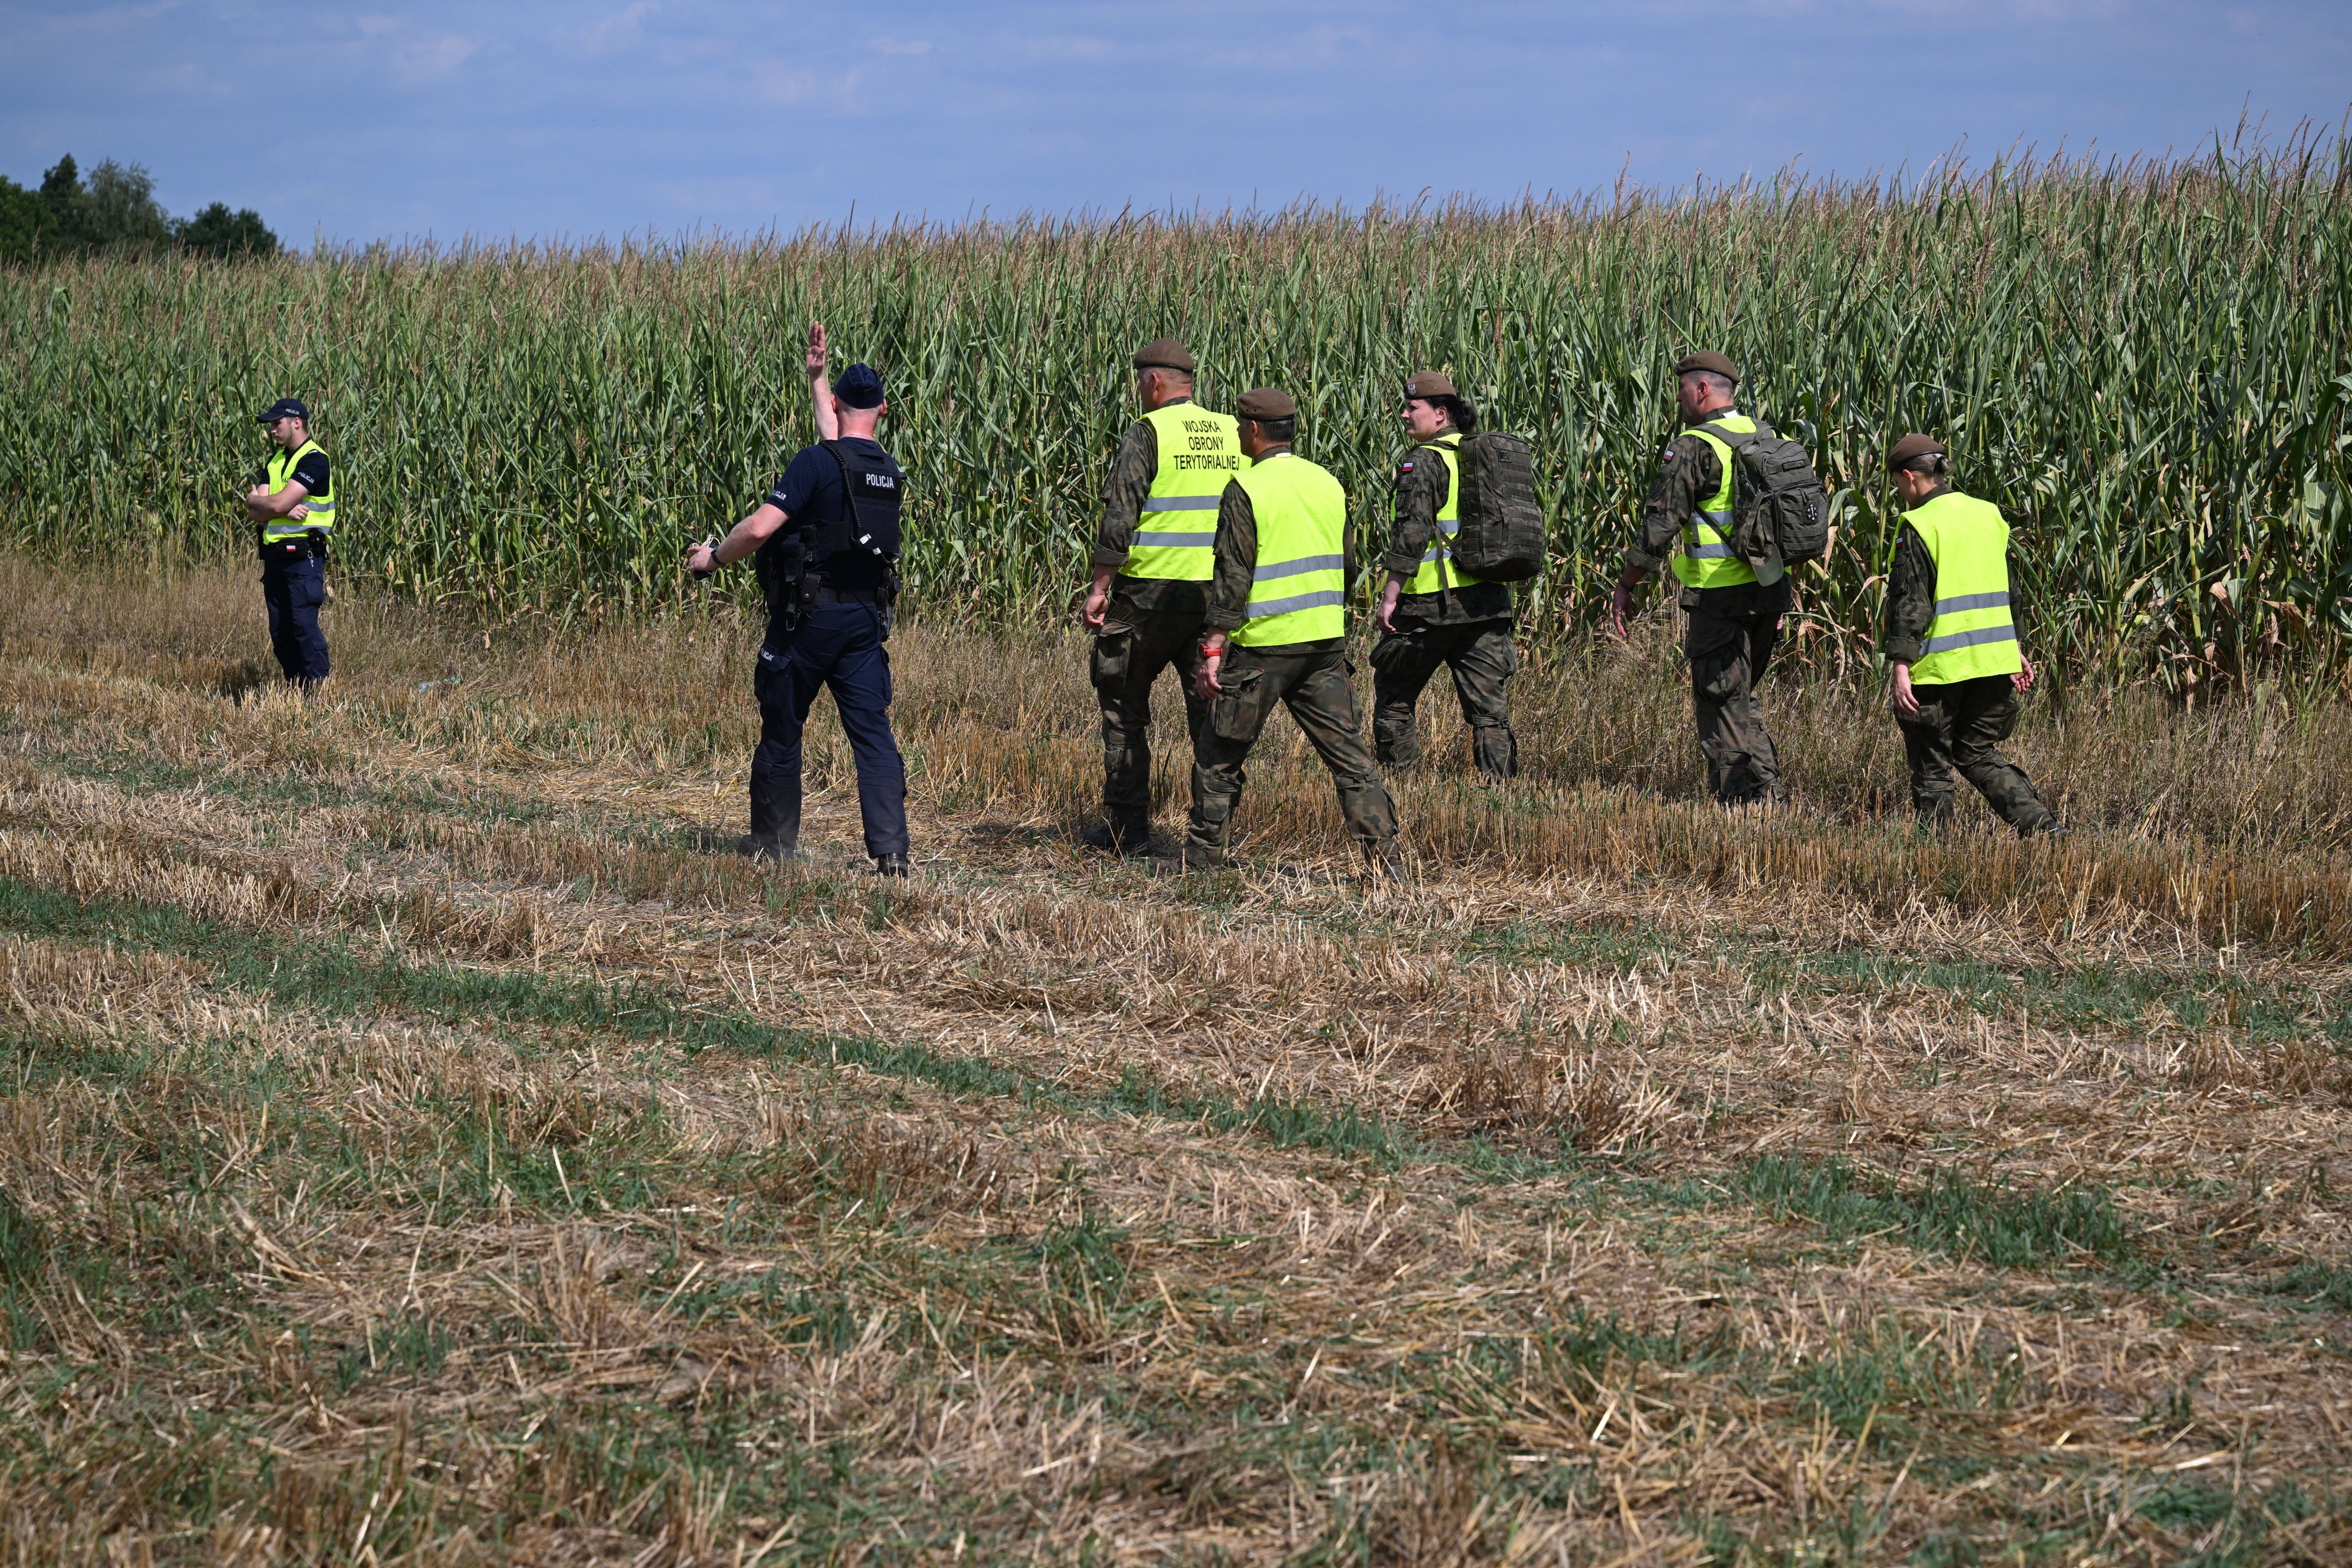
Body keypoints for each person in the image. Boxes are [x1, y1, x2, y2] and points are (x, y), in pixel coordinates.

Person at [688, 326, 912, 876]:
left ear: (839, 404)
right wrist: (816, 377)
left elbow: (762, 528)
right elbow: (840, 449)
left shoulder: (815, 462)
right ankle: (891, 854)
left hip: (807, 621)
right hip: (864, 623)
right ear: (883, 408)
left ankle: (773, 844)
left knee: (782, 729)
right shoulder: (884, 471)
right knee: (872, 735)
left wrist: (713, 557)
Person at [1189, 388, 1402, 876]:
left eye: (1242, 426)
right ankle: (1386, 864)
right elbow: (1348, 566)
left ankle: (1202, 864)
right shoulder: (1327, 482)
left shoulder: (1246, 487)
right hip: (1323, 643)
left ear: (1254, 431)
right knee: (1350, 759)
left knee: (1218, 757)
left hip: (1263, 645)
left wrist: (1213, 649)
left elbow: (1233, 577)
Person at [1078, 339, 1243, 855]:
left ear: (1154, 382)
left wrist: (1100, 586)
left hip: (1147, 597)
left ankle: (1128, 832)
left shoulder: (1148, 432)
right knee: (1211, 717)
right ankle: (1211, 835)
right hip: (1212, 598)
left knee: (1124, 710)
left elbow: (1120, 514)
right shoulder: (1234, 432)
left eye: (1139, 382)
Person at [1609, 352, 1786, 804]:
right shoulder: (1766, 436)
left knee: (1720, 702)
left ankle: (1737, 810)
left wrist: (1627, 584)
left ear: (1702, 390)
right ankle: (1768, 802)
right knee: (1741, 700)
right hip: (1769, 594)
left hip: (1719, 596)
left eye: (1682, 388)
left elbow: (1659, 526)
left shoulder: (1694, 445)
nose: (1679, 397)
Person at [1880, 433, 2060, 836]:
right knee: (1975, 751)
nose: (1899, 493)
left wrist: (1901, 665)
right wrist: (2013, 648)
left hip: (1942, 667)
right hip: (1993, 660)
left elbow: (1910, 603)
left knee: (1932, 766)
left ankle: (1934, 858)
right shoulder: (1987, 513)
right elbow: (2010, 590)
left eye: (1897, 484)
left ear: (1909, 476)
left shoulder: (1919, 523)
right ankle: (2044, 829)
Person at [1370, 370, 1519, 779]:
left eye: (1411, 407)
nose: (1403, 414)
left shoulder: (1423, 461)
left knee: (1395, 699)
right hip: (1487, 601)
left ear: (1440, 414)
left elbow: (1412, 532)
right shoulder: (1484, 455)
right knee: (1489, 713)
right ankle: (1502, 796)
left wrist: (1390, 596)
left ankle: (1400, 788)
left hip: (1430, 605)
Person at [244, 397, 337, 689]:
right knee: (281, 630)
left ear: (296, 422)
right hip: (274, 558)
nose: (272, 430)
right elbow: (255, 512)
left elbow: (273, 502)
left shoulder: (314, 459)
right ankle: (297, 689)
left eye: (276, 423)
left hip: (304, 556)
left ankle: (318, 691)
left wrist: (269, 503)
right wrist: (266, 504)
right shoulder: (274, 462)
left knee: (303, 626)